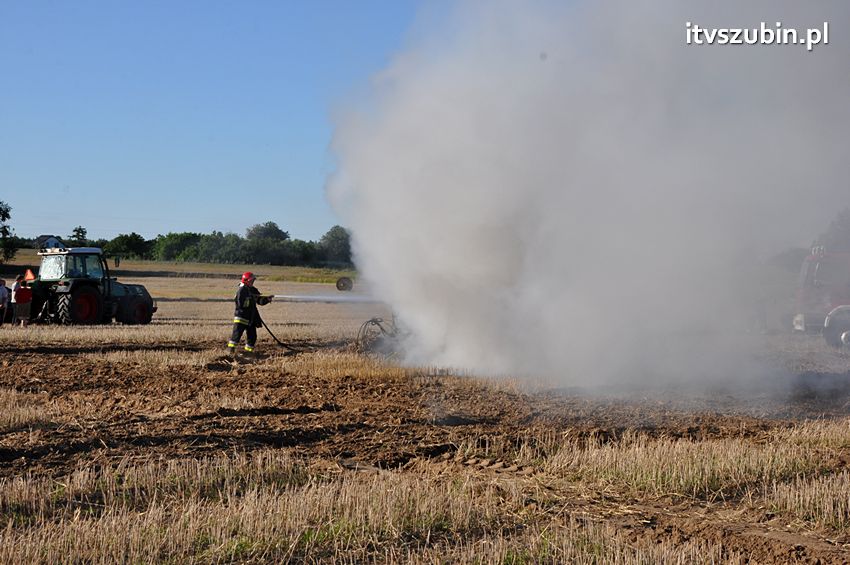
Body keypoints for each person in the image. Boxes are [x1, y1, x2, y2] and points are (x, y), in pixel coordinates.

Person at [227, 272, 272, 355]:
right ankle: (230, 351)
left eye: (253, 280)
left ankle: (248, 353)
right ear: (246, 280)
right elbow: (241, 304)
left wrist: (267, 299)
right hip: (241, 317)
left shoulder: (253, 290)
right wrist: (250, 298)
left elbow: (259, 301)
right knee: (236, 335)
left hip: (251, 318)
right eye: (251, 280)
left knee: (252, 336)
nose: (253, 282)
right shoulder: (241, 290)